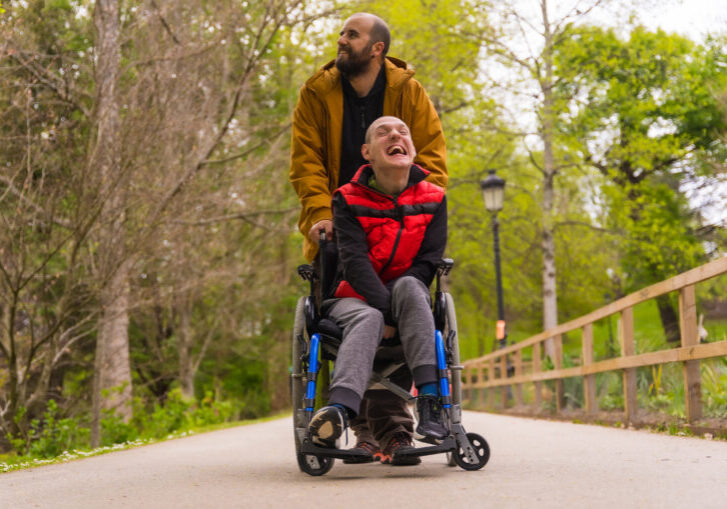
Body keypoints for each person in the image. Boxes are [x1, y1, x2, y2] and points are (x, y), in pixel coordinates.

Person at [289, 12, 447, 464]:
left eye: (350, 34)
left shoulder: (407, 93)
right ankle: (372, 431)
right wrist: (322, 214)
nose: (340, 40)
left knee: (406, 294)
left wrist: (412, 199)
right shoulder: (317, 93)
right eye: (342, 33)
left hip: (400, 223)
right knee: (358, 314)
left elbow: (431, 156)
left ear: (376, 48)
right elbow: (306, 163)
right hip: (341, 227)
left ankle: (392, 432)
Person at [307, 116, 448, 466]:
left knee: (413, 286)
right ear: (367, 152)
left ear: (412, 149)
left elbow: (428, 261)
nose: (395, 135)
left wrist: (394, 310)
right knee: (368, 317)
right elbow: (354, 262)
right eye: (383, 132)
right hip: (351, 295)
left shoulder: (435, 198)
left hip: (405, 297)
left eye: (402, 131)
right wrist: (386, 313)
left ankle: (430, 402)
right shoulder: (347, 198)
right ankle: (338, 411)